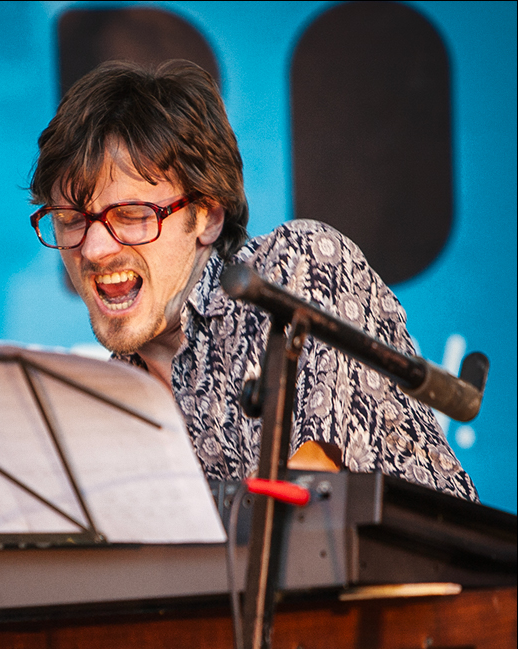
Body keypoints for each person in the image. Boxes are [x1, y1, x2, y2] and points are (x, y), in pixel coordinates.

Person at [29, 60, 477, 501]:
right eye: (70, 220)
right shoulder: (108, 399)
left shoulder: (299, 268)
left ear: (206, 215)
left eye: (130, 215)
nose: (92, 249)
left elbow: (299, 499)